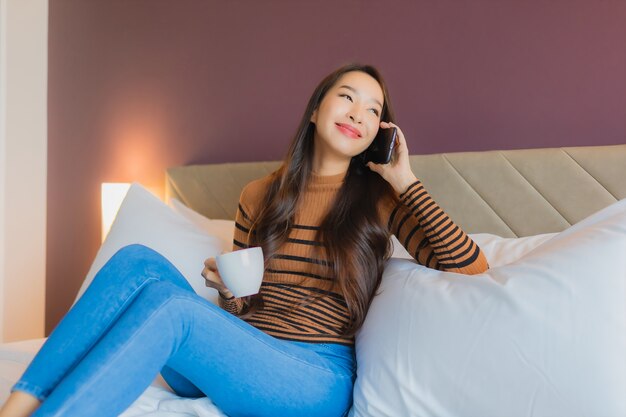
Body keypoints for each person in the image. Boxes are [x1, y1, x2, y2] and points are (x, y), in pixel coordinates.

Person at [0, 63, 489, 417]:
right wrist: (230, 291)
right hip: (241, 359)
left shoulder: (380, 202)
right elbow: (242, 310)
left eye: (373, 109)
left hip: (313, 378)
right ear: (317, 109)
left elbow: (472, 267)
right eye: (346, 97)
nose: (357, 112)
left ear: (377, 133)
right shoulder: (260, 195)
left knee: (173, 309)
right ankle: (17, 405)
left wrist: (404, 180)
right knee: (135, 261)